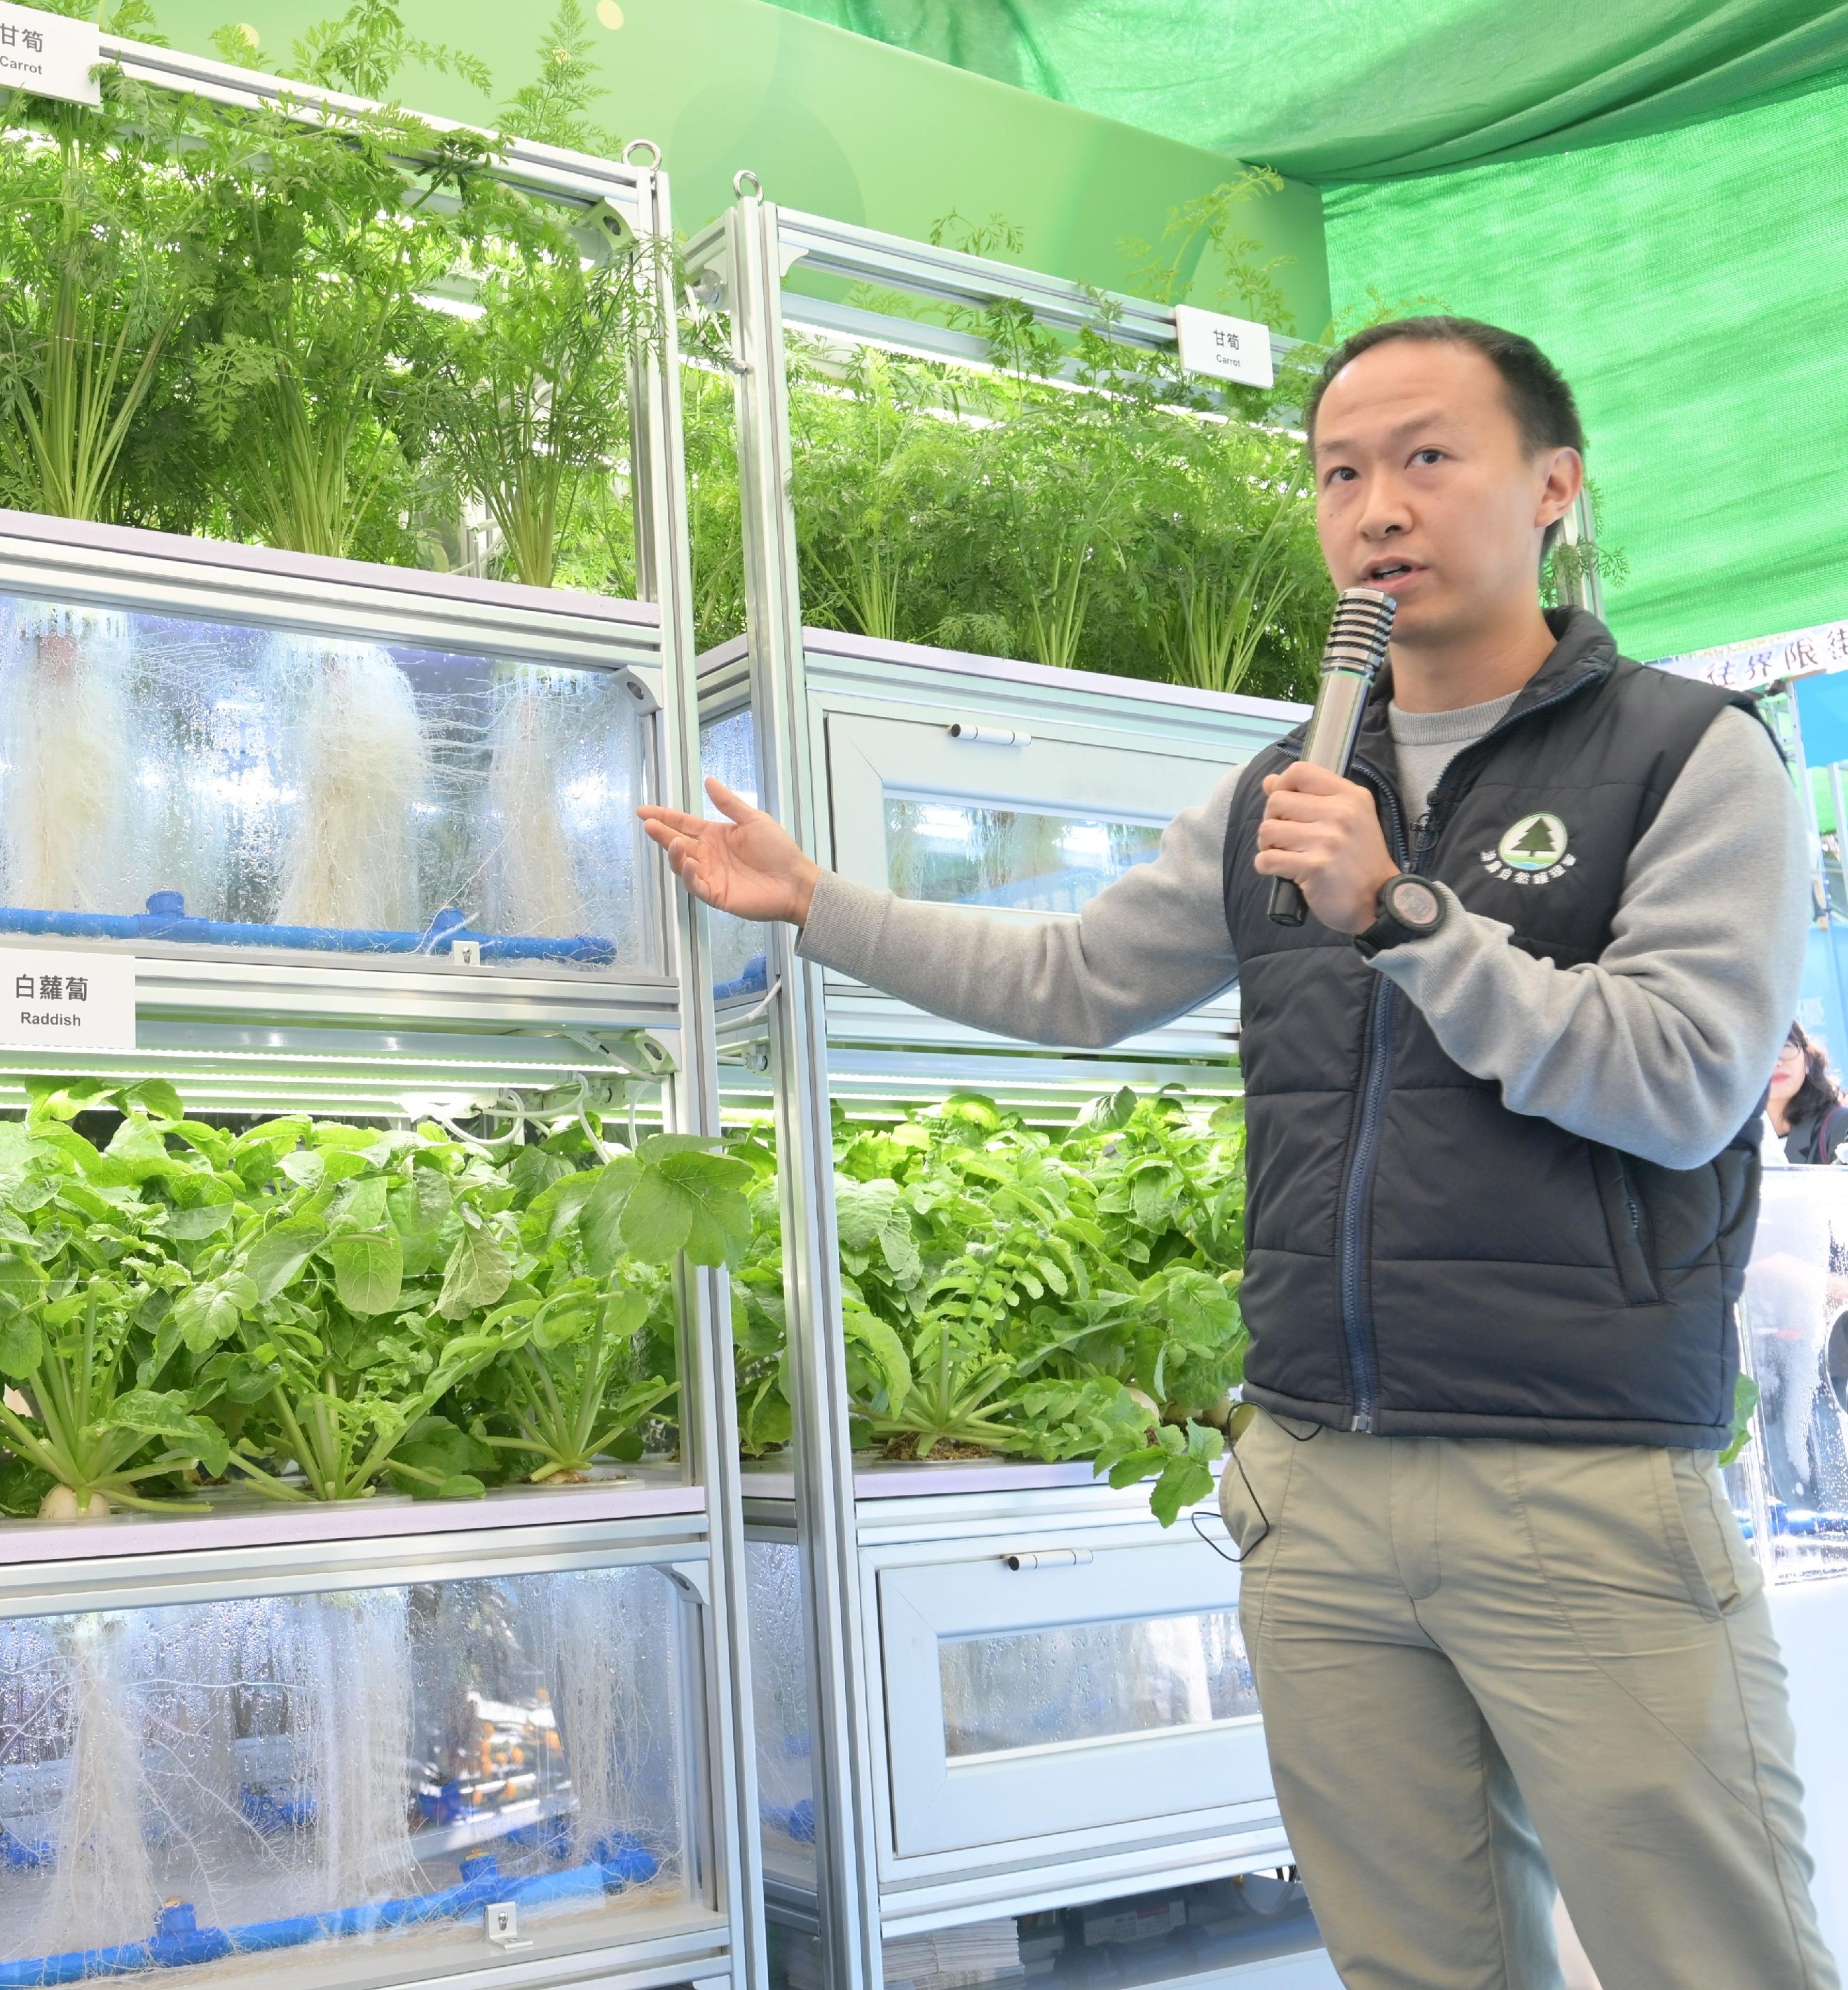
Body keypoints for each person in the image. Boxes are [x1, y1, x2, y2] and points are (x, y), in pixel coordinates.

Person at [642, 317, 1833, 1990]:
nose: (1375, 507)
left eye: (1427, 457)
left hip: (1576, 1475)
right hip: (1317, 1483)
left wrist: (1401, 912)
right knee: (1413, 1963)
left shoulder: (1685, 756)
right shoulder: (1286, 782)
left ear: (1551, 486)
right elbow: (1071, 978)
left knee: (1709, 1957)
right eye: (1339, 473)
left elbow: (1684, 1080)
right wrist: (814, 901)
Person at [1770, 1021, 1848, 1164]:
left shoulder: (1841, 1126)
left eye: (1786, 1046)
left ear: (1807, 1057)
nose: (1776, 1062)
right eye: (1761, 1054)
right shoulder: (1731, 1139)